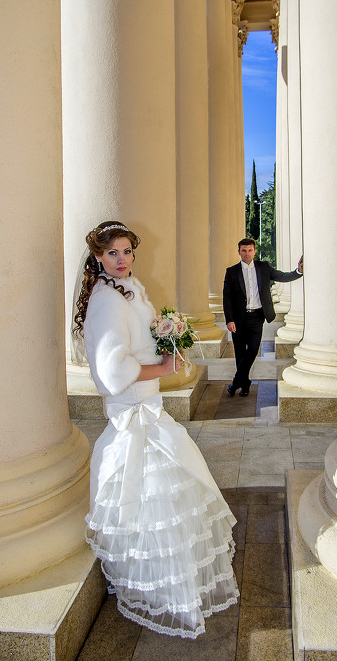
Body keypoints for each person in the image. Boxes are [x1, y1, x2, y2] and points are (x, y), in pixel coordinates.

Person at [73, 221, 239, 638]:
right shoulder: (107, 300)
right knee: (147, 497)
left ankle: (169, 584)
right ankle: (158, 587)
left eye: (127, 251)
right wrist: (163, 367)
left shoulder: (128, 290)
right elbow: (114, 372)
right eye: (112, 253)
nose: (122, 259)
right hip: (134, 409)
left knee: (161, 501)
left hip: (147, 403)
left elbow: (141, 344)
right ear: (97, 257)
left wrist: (170, 343)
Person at [223, 237, 303, 396]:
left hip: (257, 318)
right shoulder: (231, 271)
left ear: (254, 251)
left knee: (252, 351)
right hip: (238, 320)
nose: (247, 253)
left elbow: (281, 276)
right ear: (239, 252)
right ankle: (244, 386)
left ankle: (235, 383)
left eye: (250, 250)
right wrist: (229, 319)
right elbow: (227, 297)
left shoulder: (263, 267)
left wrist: (298, 271)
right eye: (244, 250)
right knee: (240, 355)